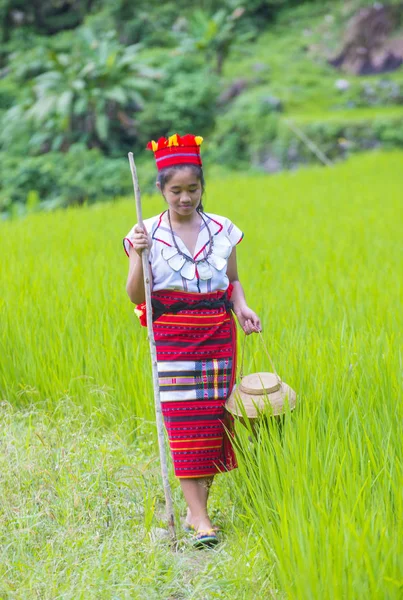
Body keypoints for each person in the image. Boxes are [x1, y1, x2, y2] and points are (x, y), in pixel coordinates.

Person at [123, 133, 261, 547]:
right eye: (176, 191)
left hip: (218, 334)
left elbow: (232, 280)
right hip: (173, 339)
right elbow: (135, 294)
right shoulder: (145, 233)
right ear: (161, 190)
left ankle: (192, 512)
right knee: (185, 423)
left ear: (202, 187)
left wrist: (243, 309)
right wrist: (139, 255)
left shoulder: (222, 229)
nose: (185, 198)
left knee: (216, 422)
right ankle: (202, 520)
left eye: (193, 189)